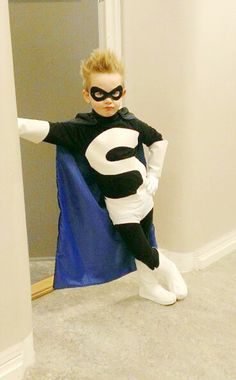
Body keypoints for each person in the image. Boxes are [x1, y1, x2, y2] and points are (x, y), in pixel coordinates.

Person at [18, 49, 187, 305]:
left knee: (147, 239)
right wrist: (12, 122)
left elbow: (159, 142)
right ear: (87, 95)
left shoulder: (131, 122)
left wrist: (154, 174)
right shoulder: (80, 130)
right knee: (139, 247)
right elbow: (45, 130)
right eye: (100, 93)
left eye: (115, 92)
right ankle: (168, 267)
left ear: (123, 92)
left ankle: (148, 286)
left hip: (145, 198)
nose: (109, 100)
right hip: (121, 208)